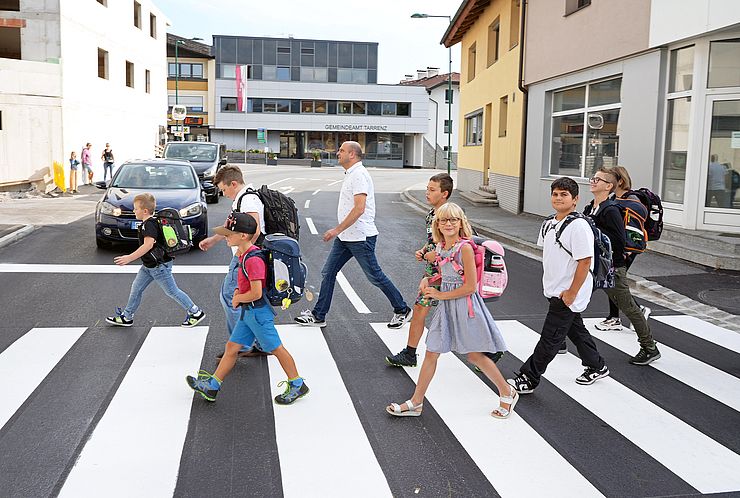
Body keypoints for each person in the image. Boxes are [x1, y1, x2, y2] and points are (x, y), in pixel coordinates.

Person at [385, 203, 515, 419]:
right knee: (431, 352)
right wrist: (430, 279)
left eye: (453, 219)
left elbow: (470, 286)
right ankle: (416, 402)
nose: (448, 223)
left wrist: (439, 295)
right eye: (443, 220)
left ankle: (506, 391)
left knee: (475, 356)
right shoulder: (441, 247)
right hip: (447, 307)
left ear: (461, 222)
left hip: (466, 307)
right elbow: (449, 276)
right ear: (437, 224)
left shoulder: (465, 248)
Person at [186, 212, 309, 405]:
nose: (226, 236)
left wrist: (237, 298)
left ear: (243, 236)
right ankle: (212, 386)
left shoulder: (253, 260)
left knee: (277, 349)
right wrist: (238, 291)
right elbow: (244, 283)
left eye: (229, 233)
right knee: (232, 347)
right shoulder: (244, 255)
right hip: (248, 313)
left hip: (258, 313)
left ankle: (297, 384)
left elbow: (257, 292)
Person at [294, 141, 412, 328]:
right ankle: (319, 315)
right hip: (347, 237)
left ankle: (402, 309)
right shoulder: (352, 174)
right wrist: (341, 232)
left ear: (352, 155)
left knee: (374, 276)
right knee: (329, 272)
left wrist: (336, 230)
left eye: (341, 150)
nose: (337, 153)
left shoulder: (358, 175)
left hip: (361, 237)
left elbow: (359, 209)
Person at [508, 177, 609, 394]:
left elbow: (585, 261)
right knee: (576, 330)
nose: (558, 198)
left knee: (550, 338)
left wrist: (572, 292)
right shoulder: (549, 224)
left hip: (568, 292)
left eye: (564, 194)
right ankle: (596, 365)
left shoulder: (579, 226)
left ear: (575, 199)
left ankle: (529, 377)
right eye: (555, 194)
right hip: (555, 290)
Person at [585, 167, 660, 365]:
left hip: (611, 268)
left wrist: (596, 236)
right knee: (571, 300)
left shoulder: (610, 210)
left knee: (629, 308)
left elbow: (617, 241)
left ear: (608, 186)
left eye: (598, 179)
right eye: (593, 178)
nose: (593, 181)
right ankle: (558, 340)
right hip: (593, 265)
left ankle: (649, 347)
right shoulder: (590, 207)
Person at [105, 193, 206, 328]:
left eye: (136, 208)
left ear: (145, 211)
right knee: (136, 289)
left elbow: (148, 245)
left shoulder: (149, 225)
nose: (134, 211)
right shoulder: (150, 223)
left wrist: (129, 258)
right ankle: (127, 316)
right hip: (149, 266)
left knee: (172, 291)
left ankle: (195, 312)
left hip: (159, 266)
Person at [199, 165, 266, 360]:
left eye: (224, 189)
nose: (223, 193)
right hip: (247, 256)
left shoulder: (248, 201)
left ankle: (242, 344)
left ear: (233, 183)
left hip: (245, 257)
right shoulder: (241, 199)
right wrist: (213, 239)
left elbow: (255, 231)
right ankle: (261, 343)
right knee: (251, 300)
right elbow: (233, 227)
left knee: (229, 296)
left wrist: (242, 256)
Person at [385, 173, 452, 367]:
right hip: (434, 270)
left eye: (432, 190)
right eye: (427, 189)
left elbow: (455, 243)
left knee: (458, 312)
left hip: (449, 270)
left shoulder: (449, 215)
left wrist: (436, 256)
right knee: (421, 307)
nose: (427, 193)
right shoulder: (432, 214)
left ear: (445, 193)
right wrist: (424, 249)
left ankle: (490, 350)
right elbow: (435, 239)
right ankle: (410, 353)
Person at [595, 166, 651, 332]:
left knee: (615, 282)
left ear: (619, 181)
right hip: (617, 248)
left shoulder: (631, 200)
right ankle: (620, 315)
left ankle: (621, 316)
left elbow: (632, 228)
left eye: (611, 179)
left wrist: (625, 251)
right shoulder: (615, 198)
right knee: (612, 282)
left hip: (627, 248)